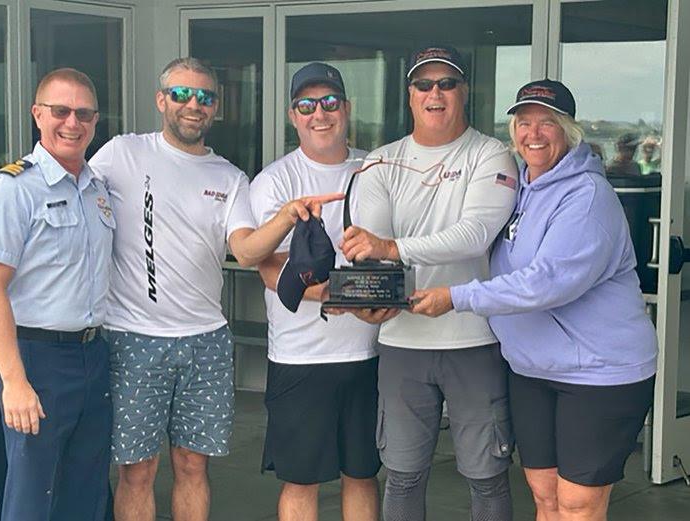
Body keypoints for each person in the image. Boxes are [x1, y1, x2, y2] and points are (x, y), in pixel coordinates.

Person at [88, 57, 340, 521]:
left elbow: (245, 251)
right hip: (133, 337)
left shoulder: (229, 177)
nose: (193, 105)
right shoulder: (121, 154)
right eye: (181, 94)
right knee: (137, 471)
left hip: (206, 341)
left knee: (192, 465)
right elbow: (77, 204)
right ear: (161, 100)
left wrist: (287, 216)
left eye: (204, 97)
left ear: (216, 108)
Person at [412, 79, 657, 521]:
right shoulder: (517, 187)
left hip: (598, 374)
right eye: (524, 123)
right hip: (531, 370)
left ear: (568, 131)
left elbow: (545, 283)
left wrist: (456, 297)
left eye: (548, 123)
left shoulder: (587, 197)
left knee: (578, 505)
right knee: (544, 495)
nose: (534, 134)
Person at [338, 46, 518, 521]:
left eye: (446, 83)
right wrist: (369, 290)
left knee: (487, 477)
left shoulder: (491, 153)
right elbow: (369, 251)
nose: (434, 93)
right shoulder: (380, 161)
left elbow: (475, 235)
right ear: (411, 95)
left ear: (464, 92)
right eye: (424, 84)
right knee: (402, 474)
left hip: (474, 338)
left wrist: (392, 247)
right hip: (401, 341)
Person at [0, 68, 113, 521]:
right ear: (38, 114)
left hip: (94, 355)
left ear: (95, 121)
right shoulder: (13, 190)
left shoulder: (98, 190)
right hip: (36, 358)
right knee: (34, 491)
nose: (72, 123)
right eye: (60, 111)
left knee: (86, 488)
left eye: (84, 113)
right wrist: (14, 380)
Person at [249, 62, 381, 521]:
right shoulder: (275, 180)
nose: (318, 114)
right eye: (306, 105)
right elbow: (270, 269)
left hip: (371, 353)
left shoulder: (375, 170)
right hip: (300, 357)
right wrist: (341, 294)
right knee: (301, 480)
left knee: (363, 474)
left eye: (328, 103)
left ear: (346, 108)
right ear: (293, 115)